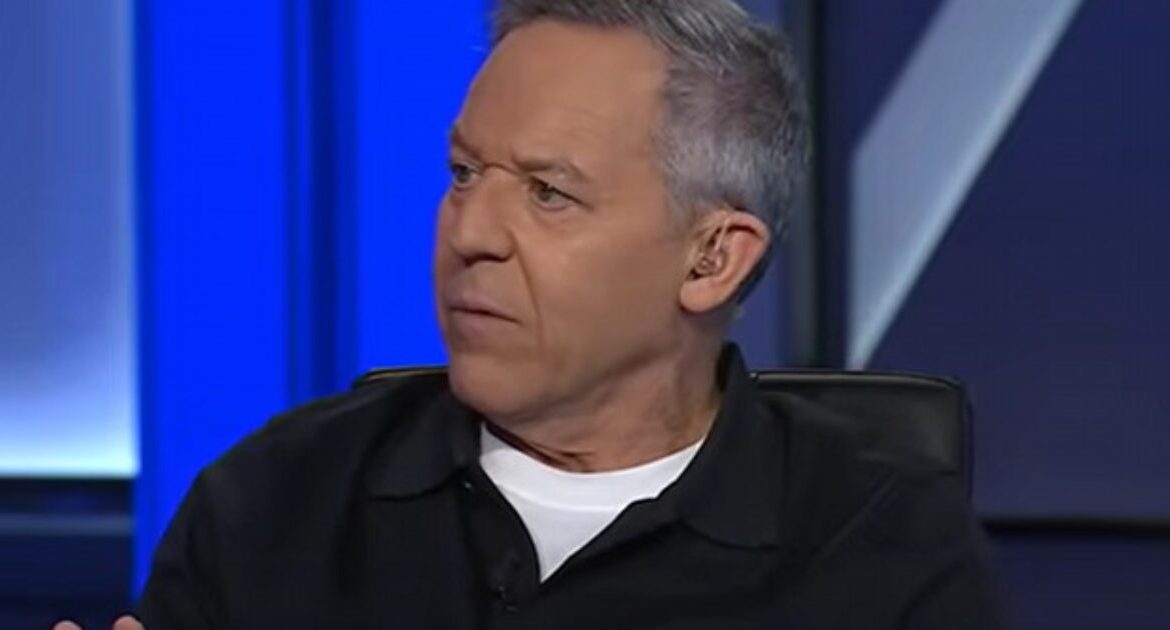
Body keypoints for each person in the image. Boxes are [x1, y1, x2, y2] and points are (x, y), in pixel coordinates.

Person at [57, 1, 1002, 628]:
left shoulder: (883, 550)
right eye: (465, 173)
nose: (470, 232)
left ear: (713, 259)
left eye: (549, 193)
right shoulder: (277, 501)